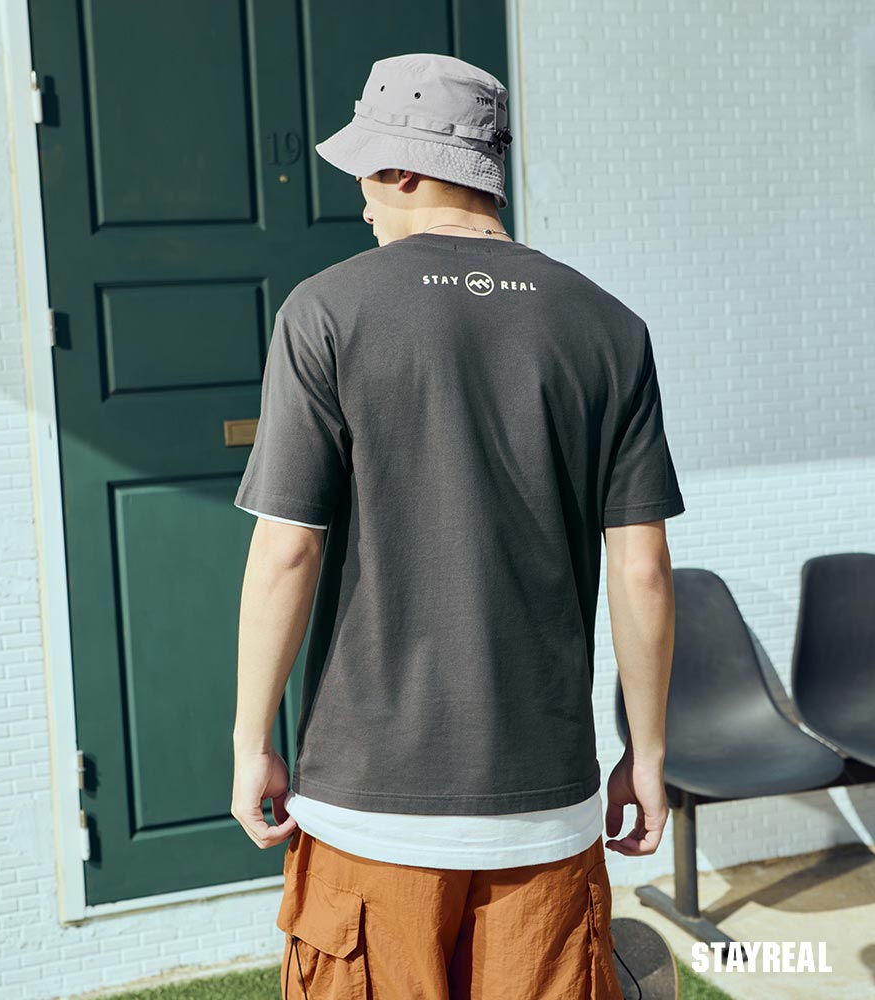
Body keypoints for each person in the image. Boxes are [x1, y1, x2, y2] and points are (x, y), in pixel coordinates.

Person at [230, 52, 684, 1000]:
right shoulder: (610, 327)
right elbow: (642, 568)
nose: (359, 200)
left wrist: (251, 741)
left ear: (403, 169)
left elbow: (287, 549)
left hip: (370, 807)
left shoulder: (326, 311)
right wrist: (645, 756)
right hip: (546, 807)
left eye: (365, 170)